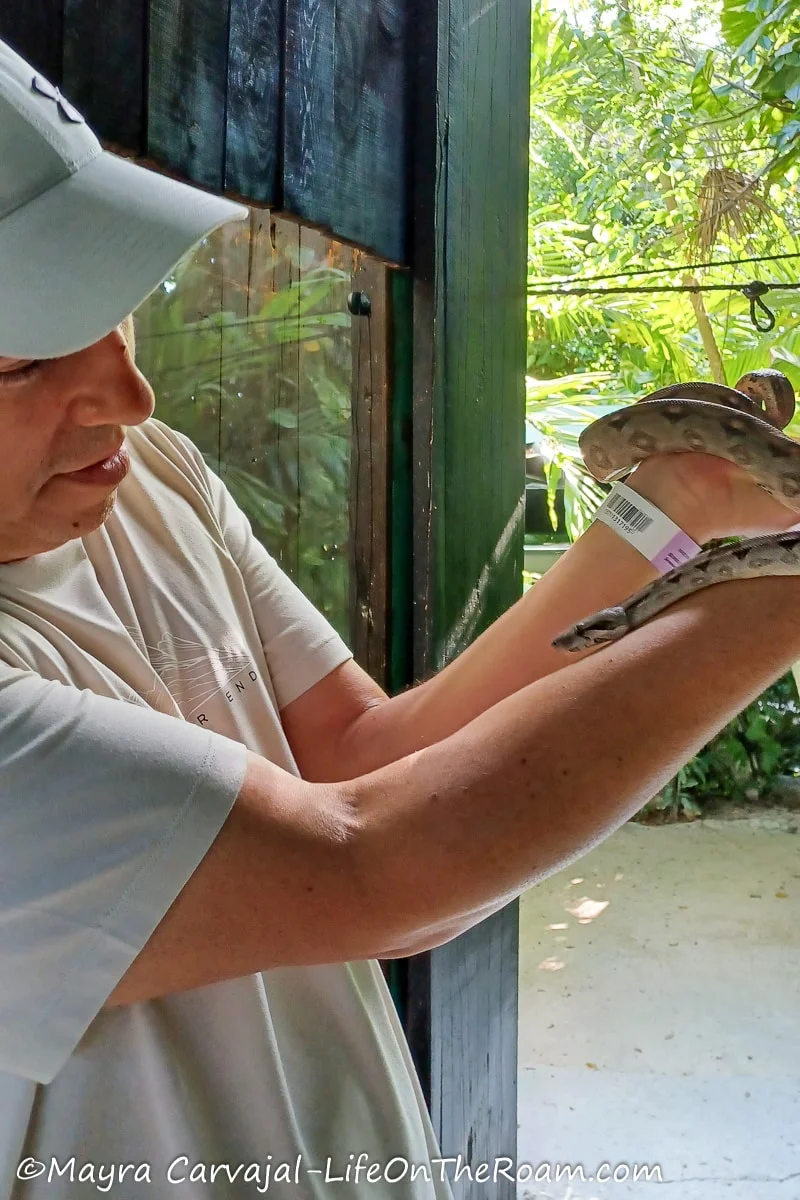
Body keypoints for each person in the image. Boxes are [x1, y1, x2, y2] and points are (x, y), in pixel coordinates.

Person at [1, 32, 800, 1200]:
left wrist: (669, 511)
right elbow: (378, 866)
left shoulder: (148, 479)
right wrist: (768, 604)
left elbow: (375, 761)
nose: (131, 394)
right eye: (22, 360)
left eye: (113, 310)